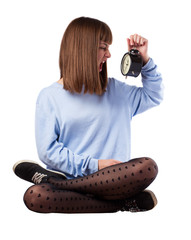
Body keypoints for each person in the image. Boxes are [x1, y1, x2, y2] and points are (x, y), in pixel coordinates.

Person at [13, 16, 163, 213]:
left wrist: (144, 60)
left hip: (117, 183)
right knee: (34, 197)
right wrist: (96, 165)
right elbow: (47, 151)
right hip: (73, 183)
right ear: (82, 49)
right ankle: (123, 204)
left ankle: (52, 181)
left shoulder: (118, 91)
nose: (109, 55)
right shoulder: (49, 97)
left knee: (147, 167)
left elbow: (154, 95)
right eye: (103, 47)